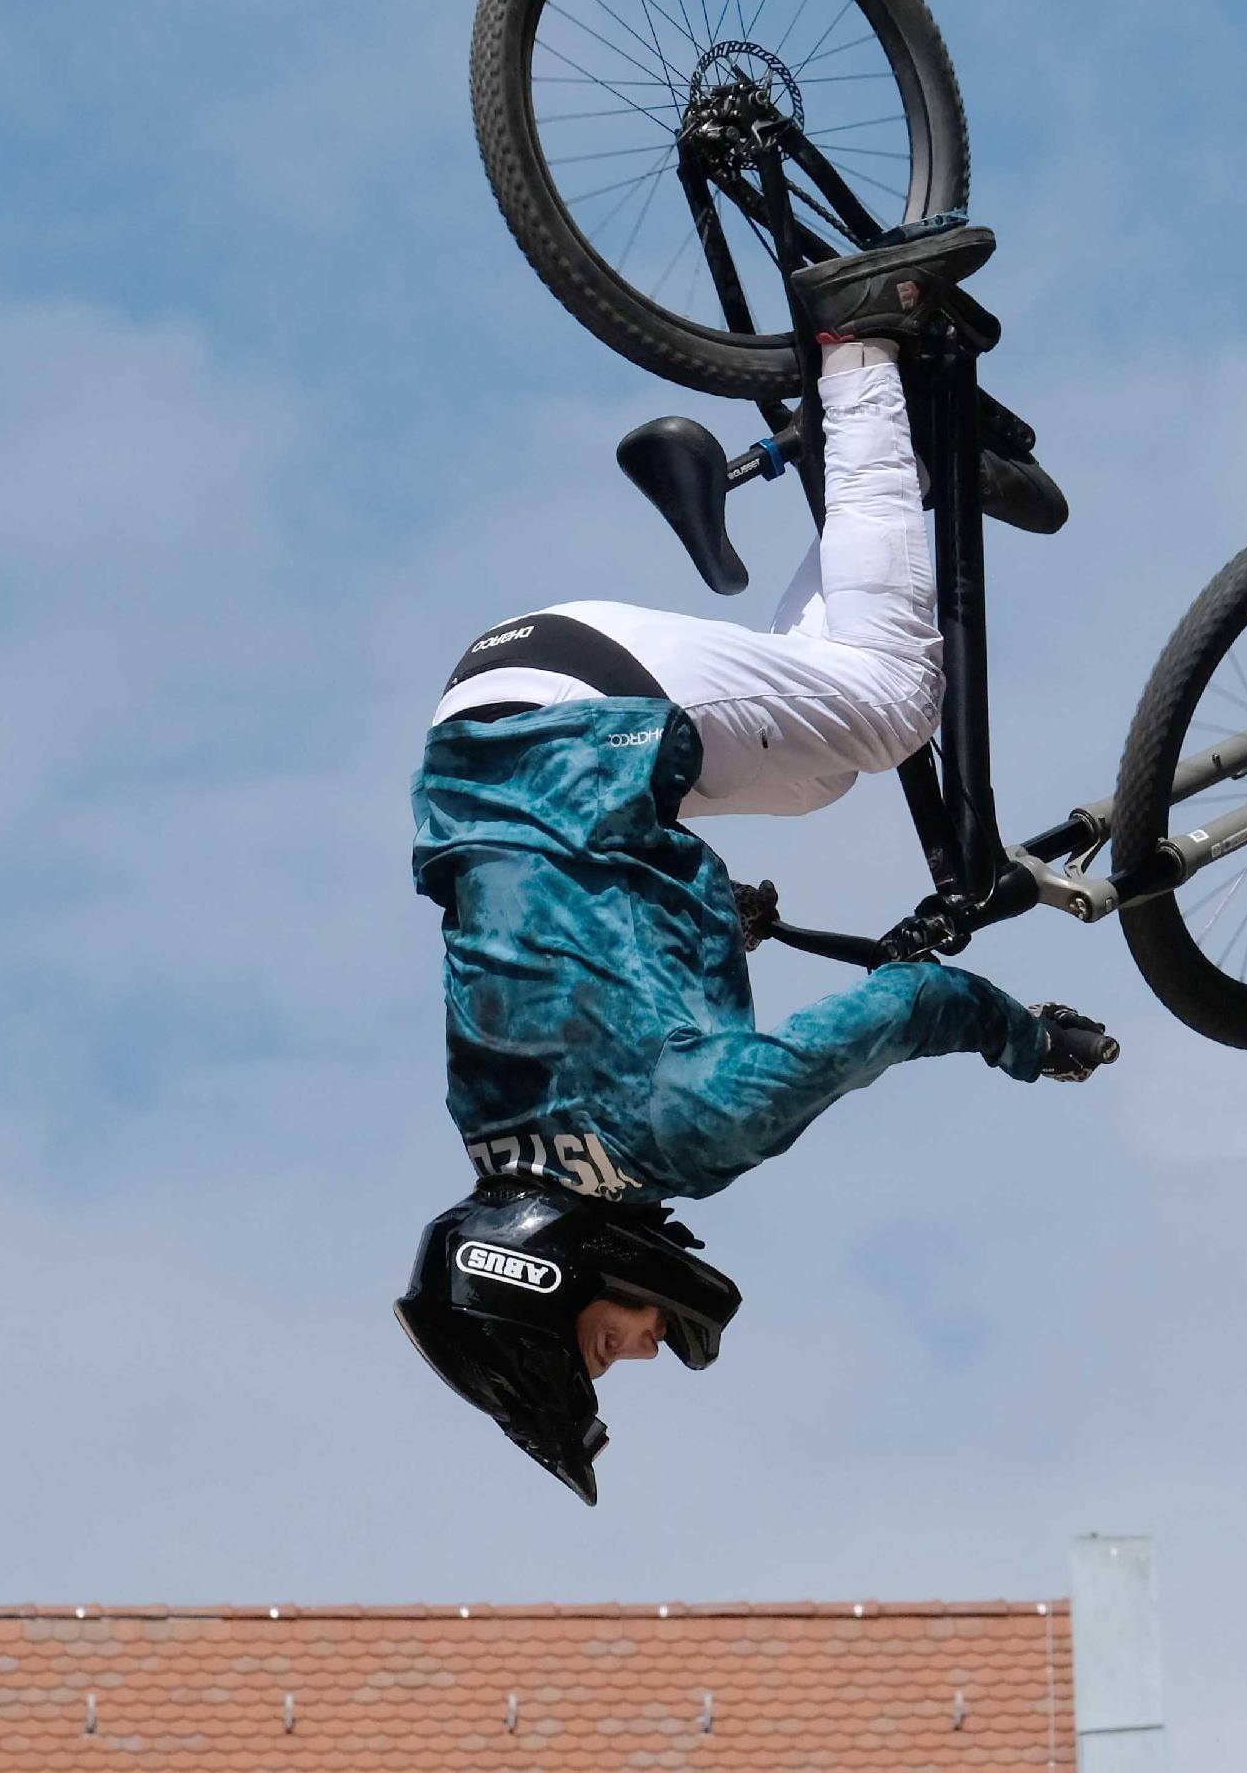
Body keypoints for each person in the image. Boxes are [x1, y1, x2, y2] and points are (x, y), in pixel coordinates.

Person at [394, 225, 1117, 1503]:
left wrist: (1026, 1040)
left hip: (581, 711)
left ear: (549, 1276)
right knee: (821, 761)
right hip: (510, 709)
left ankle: (856, 343)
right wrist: (717, 919)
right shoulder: (496, 1124)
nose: (648, 1346)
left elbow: (911, 1001)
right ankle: (916, 465)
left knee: (893, 706)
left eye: (605, 1355)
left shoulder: (685, 1132)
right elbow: (534, 918)